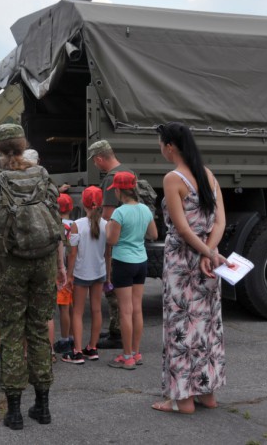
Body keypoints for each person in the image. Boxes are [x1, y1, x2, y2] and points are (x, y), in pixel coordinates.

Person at [0, 124, 65, 430]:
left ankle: (14, 411)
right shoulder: (41, 175)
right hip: (44, 262)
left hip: (11, 263)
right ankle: (43, 406)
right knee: (39, 329)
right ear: (23, 144)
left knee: (12, 332)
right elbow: (55, 221)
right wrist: (61, 265)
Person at [151, 121, 229, 414]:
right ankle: (207, 394)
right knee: (207, 327)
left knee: (180, 327)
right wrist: (210, 252)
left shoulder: (173, 179)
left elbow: (182, 229)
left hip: (183, 261)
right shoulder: (208, 175)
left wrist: (203, 252)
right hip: (209, 259)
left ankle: (182, 400)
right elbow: (219, 221)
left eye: (160, 143)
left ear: (169, 146)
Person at [105, 171, 158, 370]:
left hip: (123, 262)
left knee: (125, 311)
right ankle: (136, 352)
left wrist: (108, 228)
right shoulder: (145, 209)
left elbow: (112, 240)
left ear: (119, 190)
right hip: (141, 261)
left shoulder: (119, 212)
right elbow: (153, 234)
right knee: (137, 308)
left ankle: (126, 356)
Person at [88, 140, 131, 349]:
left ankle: (117, 333)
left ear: (99, 159)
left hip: (115, 240)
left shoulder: (110, 180)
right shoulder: (128, 172)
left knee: (112, 285)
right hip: (130, 239)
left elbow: (107, 214)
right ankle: (118, 328)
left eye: (95, 162)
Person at [61, 186, 107, 364]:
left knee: (78, 312)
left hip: (81, 272)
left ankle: (77, 351)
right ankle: (92, 347)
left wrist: (70, 275)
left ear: (83, 202)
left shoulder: (77, 225)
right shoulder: (106, 225)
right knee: (97, 310)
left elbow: (72, 254)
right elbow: (107, 252)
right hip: (99, 271)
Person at [51, 193, 75, 356]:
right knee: (69, 307)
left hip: (58, 270)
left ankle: (65, 340)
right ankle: (71, 336)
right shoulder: (74, 225)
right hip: (70, 269)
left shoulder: (56, 225)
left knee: (60, 309)